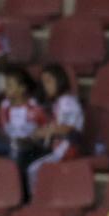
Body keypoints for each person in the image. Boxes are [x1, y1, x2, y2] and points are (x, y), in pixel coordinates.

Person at [26, 64, 84, 197]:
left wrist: (45, 132)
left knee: (33, 170)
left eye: (49, 81)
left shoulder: (68, 102)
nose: (45, 86)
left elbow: (68, 128)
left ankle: (37, 201)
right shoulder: (58, 102)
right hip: (58, 148)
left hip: (68, 150)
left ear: (60, 81)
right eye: (43, 82)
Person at [0, 66, 49, 201]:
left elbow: (45, 135)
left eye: (10, 85)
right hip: (10, 146)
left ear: (22, 88)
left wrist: (30, 139)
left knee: (17, 149)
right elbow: (0, 130)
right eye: (5, 85)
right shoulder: (4, 107)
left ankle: (18, 196)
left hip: (33, 149)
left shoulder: (35, 108)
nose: (6, 89)